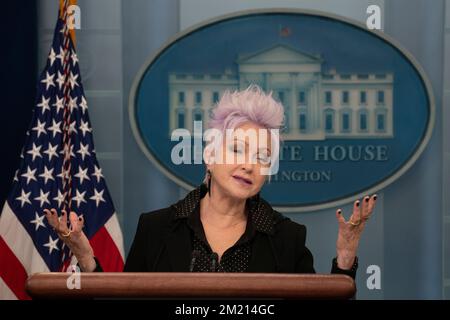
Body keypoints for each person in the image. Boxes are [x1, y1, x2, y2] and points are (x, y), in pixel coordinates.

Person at [44, 85, 376, 276]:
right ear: (210, 155)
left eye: (262, 157)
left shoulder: (287, 238)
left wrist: (345, 259)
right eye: (237, 150)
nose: (249, 165)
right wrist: (87, 261)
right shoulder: (157, 228)